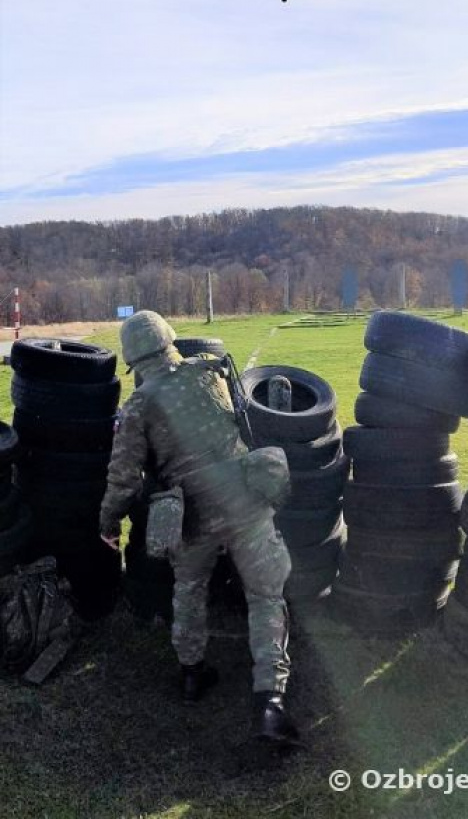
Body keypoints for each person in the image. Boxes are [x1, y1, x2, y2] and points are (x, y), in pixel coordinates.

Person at [99, 310, 299, 744]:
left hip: (193, 512)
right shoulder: (213, 374)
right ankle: (271, 701)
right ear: (170, 340)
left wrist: (108, 521)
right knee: (266, 596)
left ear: (134, 360)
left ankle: (192, 674)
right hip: (245, 497)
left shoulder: (138, 406)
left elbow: (124, 478)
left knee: (188, 589)